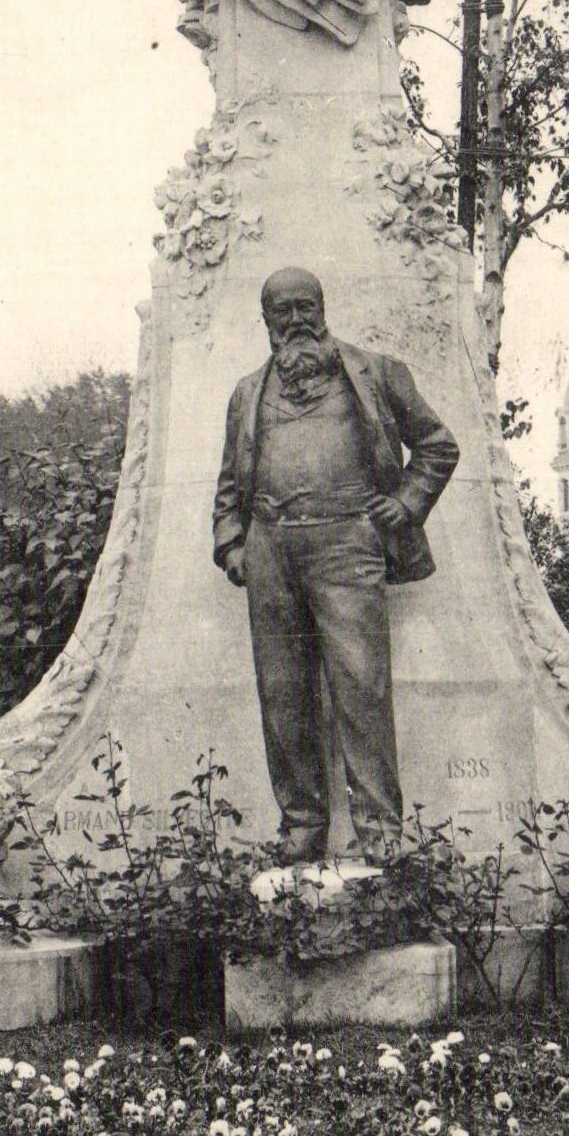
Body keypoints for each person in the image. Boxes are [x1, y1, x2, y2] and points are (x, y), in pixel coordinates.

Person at [212, 266, 459, 864]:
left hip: (348, 543)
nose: (296, 320)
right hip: (271, 550)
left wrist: (406, 505)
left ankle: (380, 831)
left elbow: (438, 445)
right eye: (283, 311)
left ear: (322, 308)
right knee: (283, 694)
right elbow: (228, 487)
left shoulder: (375, 372)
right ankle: (301, 826)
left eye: (306, 306)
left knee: (361, 688)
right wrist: (232, 546)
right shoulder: (247, 393)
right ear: (267, 321)